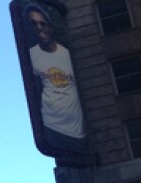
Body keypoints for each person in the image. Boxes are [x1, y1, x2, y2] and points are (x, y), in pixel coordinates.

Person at [25, 4, 89, 156]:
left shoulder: (68, 54)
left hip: (78, 131)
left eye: (42, 23)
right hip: (51, 129)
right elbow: (34, 92)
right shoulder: (31, 56)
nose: (39, 28)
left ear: (50, 26)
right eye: (33, 24)